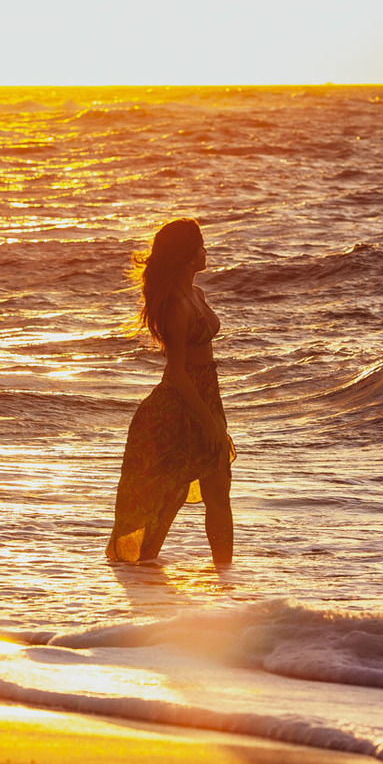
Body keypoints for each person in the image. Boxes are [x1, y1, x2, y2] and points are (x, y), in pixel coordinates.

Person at [106, 217, 234, 568]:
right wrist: (207, 420)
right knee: (162, 498)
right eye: (201, 245)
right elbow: (176, 371)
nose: (206, 250)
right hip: (178, 407)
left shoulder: (196, 295)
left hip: (207, 397)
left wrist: (213, 415)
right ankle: (134, 571)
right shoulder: (177, 304)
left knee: (219, 492)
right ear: (188, 255)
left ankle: (226, 577)